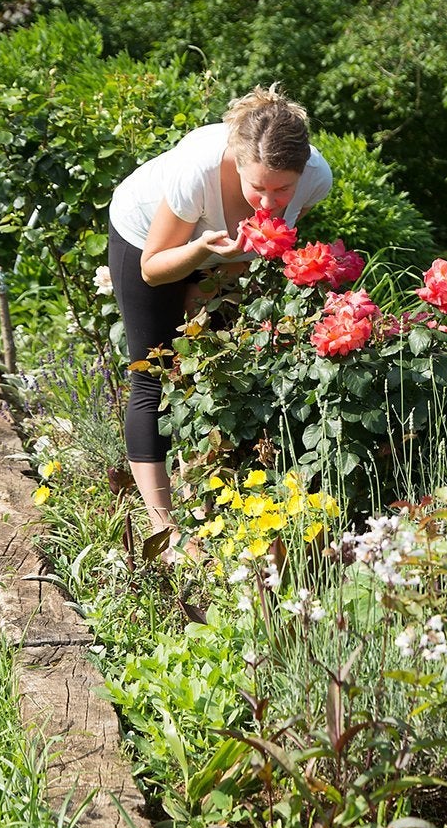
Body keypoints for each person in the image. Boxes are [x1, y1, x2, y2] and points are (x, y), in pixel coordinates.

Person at [107, 83, 332, 559]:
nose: (268, 202)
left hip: (223, 255)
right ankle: (164, 531)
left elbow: (274, 235)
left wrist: (214, 286)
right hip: (152, 240)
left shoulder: (316, 178)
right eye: (257, 188)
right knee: (151, 373)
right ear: (236, 161)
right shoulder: (200, 170)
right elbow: (154, 267)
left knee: (215, 367)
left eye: (282, 189)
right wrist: (201, 252)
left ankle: (202, 501)